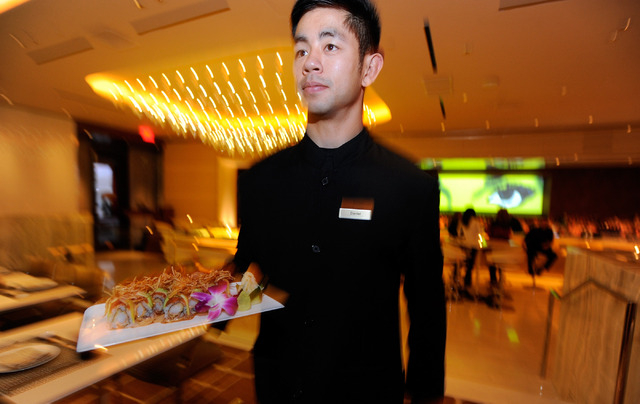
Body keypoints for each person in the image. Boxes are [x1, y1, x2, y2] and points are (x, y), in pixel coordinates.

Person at [229, 1, 446, 402]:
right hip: (277, 385)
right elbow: (247, 270)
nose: (309, 63)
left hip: (365, 390)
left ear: (369, 68)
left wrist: (424, 394)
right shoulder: (261, 179)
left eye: (329, 46)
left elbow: (427, 307)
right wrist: (193, 304)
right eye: (301, 49)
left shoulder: (409, 186)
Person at [457, 208, 484, 289]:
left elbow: (459, 234)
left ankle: (458, 277)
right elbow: (480, 233)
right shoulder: (476, 222)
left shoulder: (462, 222)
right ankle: (468, 278)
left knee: (461, 262)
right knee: (470, 264)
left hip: (464, 245)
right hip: (473, 246)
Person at [486, 208, 512, 286]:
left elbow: (489, 233)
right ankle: (501, 278)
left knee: (491, 261)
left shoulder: (493, 224)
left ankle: (493, 279)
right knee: (501, 262)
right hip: (504, 249)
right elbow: (509, 236)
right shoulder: (508, 225)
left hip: (494, 247)